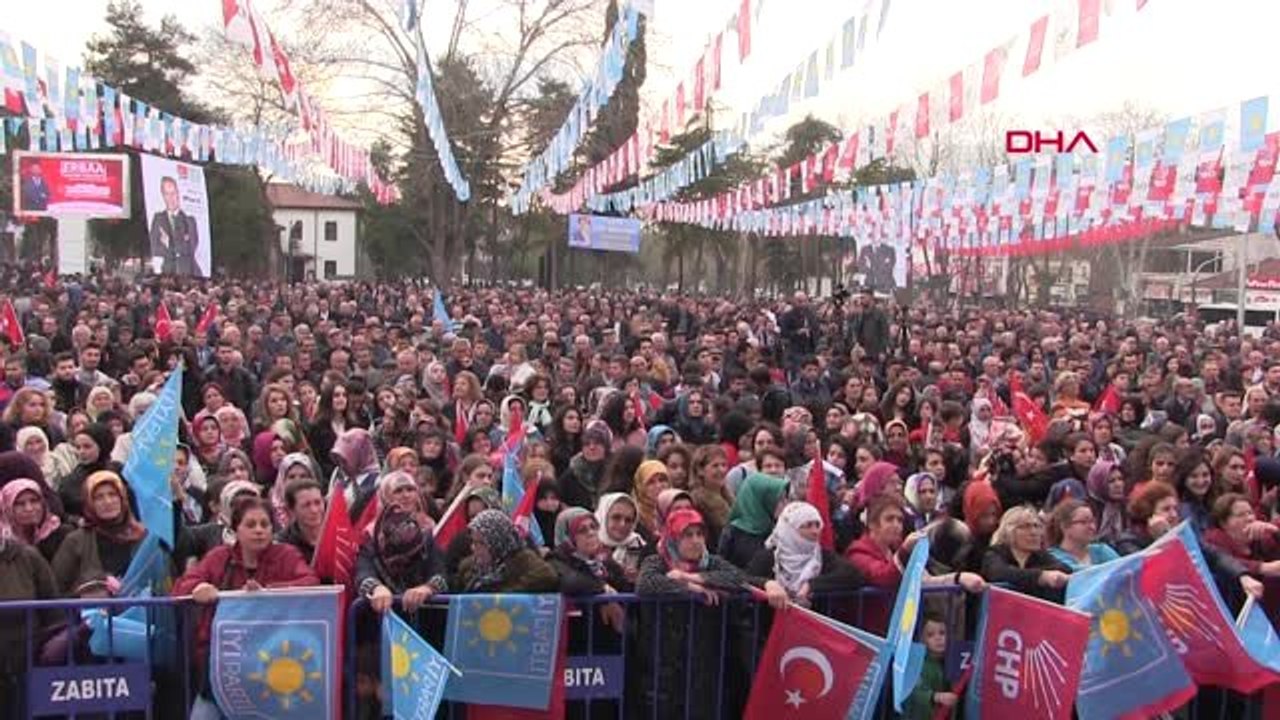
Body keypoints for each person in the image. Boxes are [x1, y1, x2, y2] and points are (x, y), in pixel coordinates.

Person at [173, 497, 319, 720]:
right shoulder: (218, 557)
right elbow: (181, 587)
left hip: (272, 665)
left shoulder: (287, 555)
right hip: (222, 668)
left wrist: (267, 592)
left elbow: (310, 582)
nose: (259, 531)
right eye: (250, 525)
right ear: (236, 530)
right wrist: (198, 587)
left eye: (265, 524)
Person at [746, 501, 863, 607]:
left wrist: (811, 585)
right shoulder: (768, 558)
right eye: (807, 526)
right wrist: (767, 584)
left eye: (817, 525)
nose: (815, 531)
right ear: (790, 529)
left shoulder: (822, 556)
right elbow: (744, 579)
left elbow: (853, 574)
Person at [51, 470, 148, 596]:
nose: (107, 502)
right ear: (89, 503)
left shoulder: (142, 536)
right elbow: (55, 590)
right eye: (98, 497)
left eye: (112, 494)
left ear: (122, 498)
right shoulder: (76, 541)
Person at [455, 509, 558, 593]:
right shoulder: (468, 567)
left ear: (497, 542)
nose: (474, 548)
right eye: (473, 542)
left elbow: (548, 577)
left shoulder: (522, 560)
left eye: (481, 543)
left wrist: (503, 594)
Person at [0, 478, 69, 562]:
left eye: (34, 501)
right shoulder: (4, 546)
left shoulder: (59, 533)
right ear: (8, 509)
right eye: (20, 504)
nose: (29, 508)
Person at [904, 613, 957, 720]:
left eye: (942, 633)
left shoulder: (947, 661)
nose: (938, 638)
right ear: (921, 639)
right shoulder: (919, 663)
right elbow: (914, 691)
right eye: (930, 635)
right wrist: (935, 696)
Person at [148, 175, 202, 276]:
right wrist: (179, 246)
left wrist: (169, 245)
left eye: (173, 193)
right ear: (163, 196)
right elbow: (154, 248)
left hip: (189, 271)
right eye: (167, 194)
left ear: (178, 194)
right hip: (168, 271)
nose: (171, 198)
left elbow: (191, 248)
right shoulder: (158, 219)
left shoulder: (189, 220)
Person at [1046, 498, 1119, 572]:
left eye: (1092, 521)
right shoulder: (1052, 557)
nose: (1092, 527)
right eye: (1084, 522)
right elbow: (1078, 574)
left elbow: (1123, 569)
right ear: (1064, 526)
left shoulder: (1101, 550)